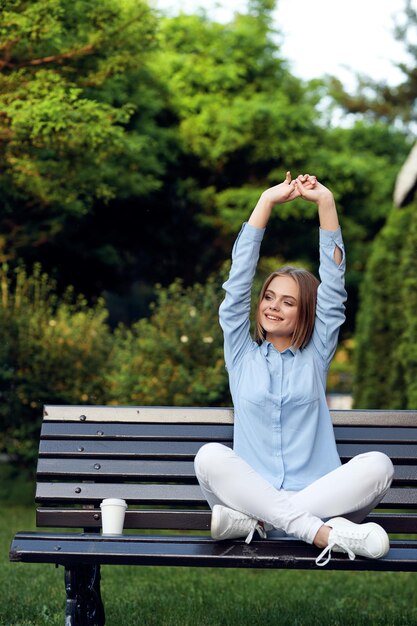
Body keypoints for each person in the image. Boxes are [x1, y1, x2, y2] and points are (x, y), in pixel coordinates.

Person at [194, 172, 394, 567]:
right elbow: (236, 287)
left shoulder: (317, 353)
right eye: (269, 296)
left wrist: (326, 203)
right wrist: (265, 203)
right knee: (209, 457)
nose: (272, 306)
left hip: (317, 498)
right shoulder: (240, 353)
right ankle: (319, 534)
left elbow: (334, 287)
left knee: (379, 465)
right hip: (267, 499)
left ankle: (264, 523)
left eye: (287, 302)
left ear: (305, 311)